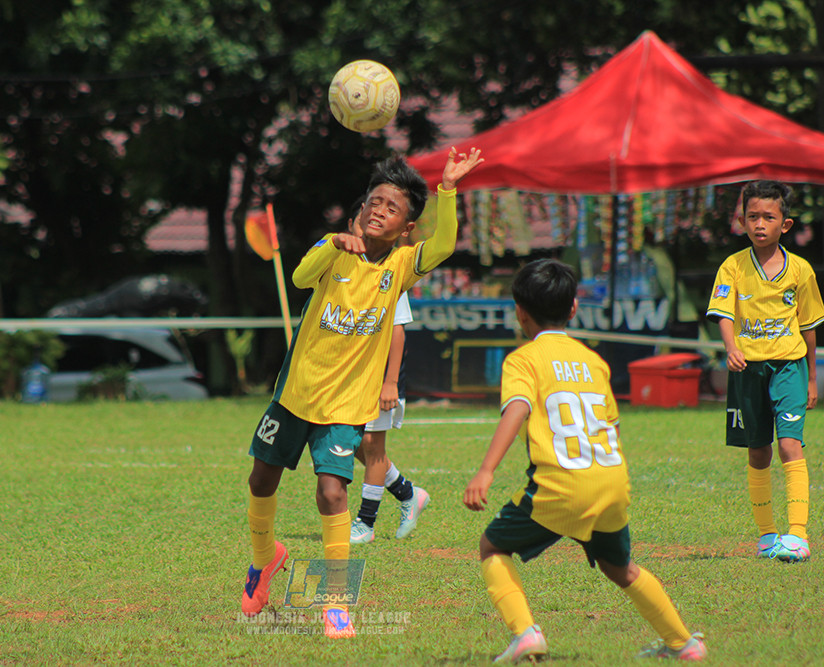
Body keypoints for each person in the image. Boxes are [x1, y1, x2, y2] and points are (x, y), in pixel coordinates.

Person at [242, 147, 483, 639]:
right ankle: (265, 560)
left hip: (345, 407)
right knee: (260, 482)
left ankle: (336, 605)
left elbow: (444, 247)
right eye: (374, 201)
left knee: (331, 493)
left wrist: (448, 191)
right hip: (294, 396)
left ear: (406, 228)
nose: (379, 210)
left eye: (392, 208)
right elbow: (298, 277)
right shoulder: (334, 251)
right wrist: (332, 244)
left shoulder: (400, 268)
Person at [463, 259, 707, 663]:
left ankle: (525, 633)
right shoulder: (594, 361)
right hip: (611, 480)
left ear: (520, 312)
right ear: (574, 308)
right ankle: (684, 644)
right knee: (620, 567)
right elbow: (608, 422)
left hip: (562, 485)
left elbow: (517, 408)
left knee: (492, 545)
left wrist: (486, 469)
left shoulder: (523, 359)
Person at [706, 180, 824, 562]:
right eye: (752, 216)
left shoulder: (800, 271)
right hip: (747, 371)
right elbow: (723, 313)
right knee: (758, 452)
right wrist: (732, 348)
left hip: (788, 366)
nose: (760, 224)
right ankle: (766, 535)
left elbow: (808, 327)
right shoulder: (733, 266)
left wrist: (810, 377)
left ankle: (798, 535)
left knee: (790, 444)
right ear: (742, 221)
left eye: (768, 217)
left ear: (784, 225)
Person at [341, 198, 430, 545]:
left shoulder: (388, 272)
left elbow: (397, 329)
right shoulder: (345, 269)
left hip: (381, 376)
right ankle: (408, 493)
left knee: (373, 445)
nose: (365, 232)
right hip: (351, 374)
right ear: (352, 225)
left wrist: (390, 382)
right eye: (361, 225)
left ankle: (365, 522)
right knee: (352, 442)